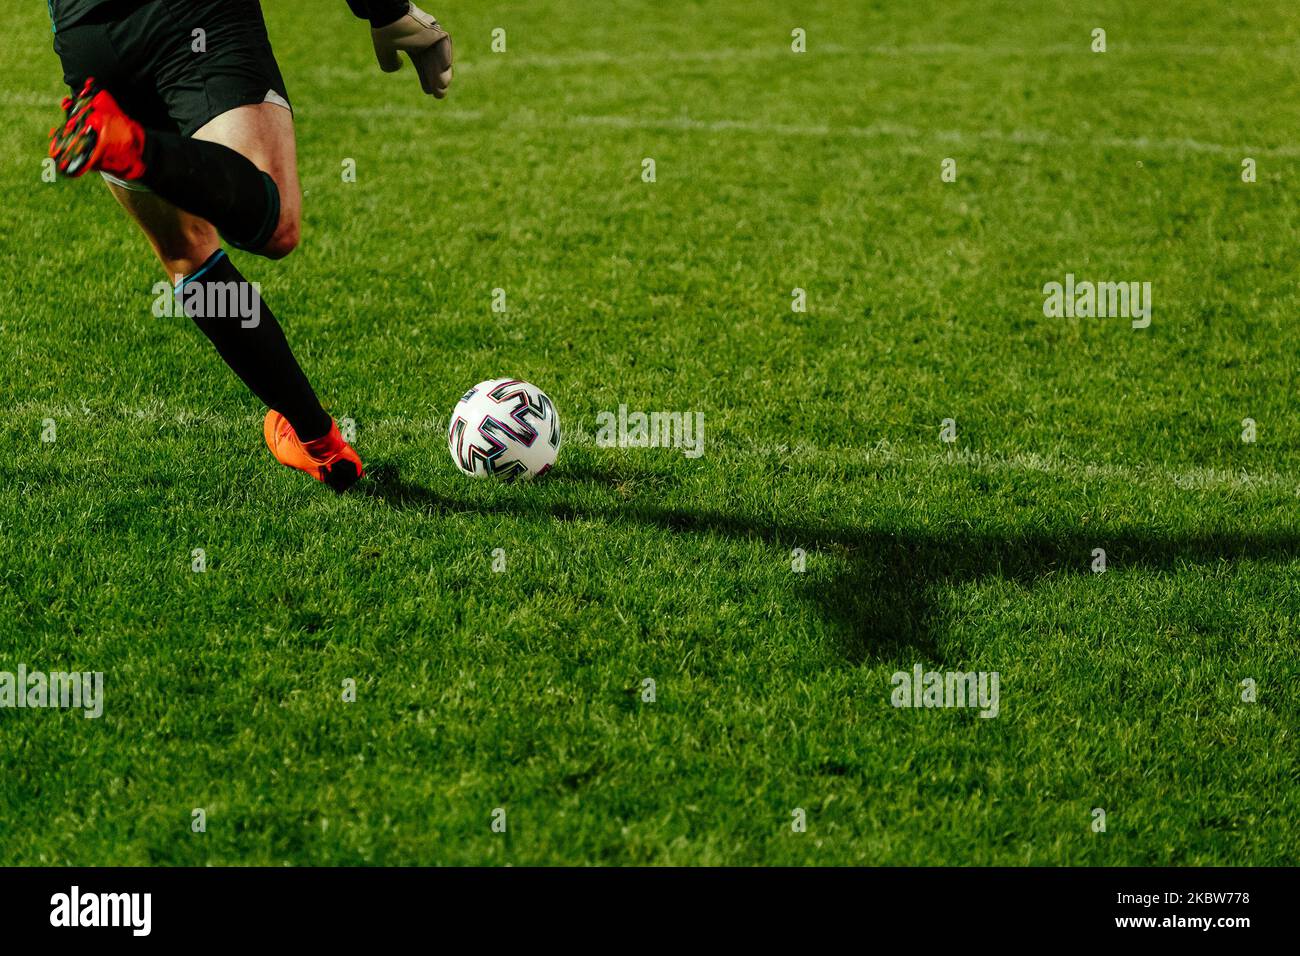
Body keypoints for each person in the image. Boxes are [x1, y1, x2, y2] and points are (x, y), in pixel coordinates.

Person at [46, 0, 453, 491]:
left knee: (187, 253)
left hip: (88, 36)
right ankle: (139, 149)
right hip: (189, 15)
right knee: (275, 221)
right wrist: (385, 10)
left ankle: (319, 443)